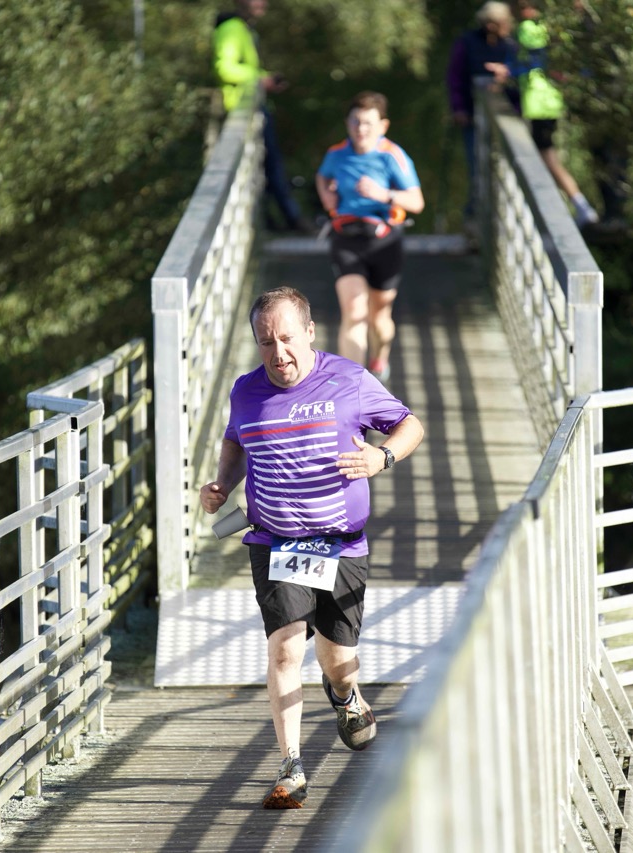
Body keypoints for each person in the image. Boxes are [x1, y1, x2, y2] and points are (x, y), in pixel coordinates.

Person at [199, 286, 425, 809]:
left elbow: (408, 425)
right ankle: (291, 765)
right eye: (265, 342)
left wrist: (382, 458)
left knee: (338, 657)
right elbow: (235, 439)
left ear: (310, 332)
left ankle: (344, 694)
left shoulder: (349, 380)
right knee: (285, 648)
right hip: (274, 539)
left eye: (286, 339)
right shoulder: (246, 390)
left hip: (340, 543)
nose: (278, 353)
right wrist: (222, 484)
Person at [315, 91, 424, 382]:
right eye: (355, 122)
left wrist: (383, 194)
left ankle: (380, 357)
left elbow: (417, 202)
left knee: (379, 319)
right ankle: (353, 386)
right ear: (347, 123)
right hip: (346, 237)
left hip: (384, 241)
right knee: (354, 312)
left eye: (368, 123)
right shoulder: (336, 153)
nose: (360, 129)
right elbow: (322, 176)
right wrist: (327, 196)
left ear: (383, 126)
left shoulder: (392, 156)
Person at [494, 0, 600, 227]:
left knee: (545, 156)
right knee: (543, 155)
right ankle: (571, 207)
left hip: (540, 103)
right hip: (548, 101)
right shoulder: (552, 28)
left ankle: (579, 205)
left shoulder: (529, 28)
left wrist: (508, 71)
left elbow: (534, 60)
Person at [213, 0, 312, 234]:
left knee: (265, 167)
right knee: (269, 166)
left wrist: (266, 78)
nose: (264, 3)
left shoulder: (243, 29)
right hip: (240, 112)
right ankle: (290, 219)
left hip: (252, 109)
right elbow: (224, 68)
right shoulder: (232, 28)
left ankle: (276, 221)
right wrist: (259, 79)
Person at [445, 1, 516, 221]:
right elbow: (455, 77)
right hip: (473, 116)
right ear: (491, 24)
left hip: (507, 119)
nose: (508, 25)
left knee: (505, 170)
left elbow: (521, 75)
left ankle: (499, 219)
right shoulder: (467, 43)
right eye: (504, 22)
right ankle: (475, 218)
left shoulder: (511, 45)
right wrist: (458, 107)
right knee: (478, 167)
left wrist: (507, 76)